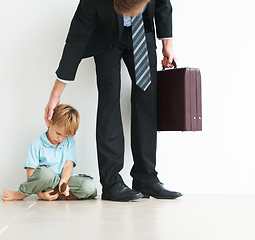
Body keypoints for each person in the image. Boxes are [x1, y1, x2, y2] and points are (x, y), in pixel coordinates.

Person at [44, 0, 182, 201]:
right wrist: (56, 93)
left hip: (142, 32)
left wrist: (167, 44)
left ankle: (146, 178)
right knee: (109, 102)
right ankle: (111, 183)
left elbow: (163, 3)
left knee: (147, 100)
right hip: (106, 37)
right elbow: (77, 38)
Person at [2, 104, 97, 201]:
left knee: (89, 187)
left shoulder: (70, 142)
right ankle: (21, 194)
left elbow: (69, 165)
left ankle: (61, 193)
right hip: (46, 183)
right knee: (45, 174)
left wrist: (64, 181)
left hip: (65, 180)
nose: (60, 139)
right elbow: (31, 174)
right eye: (58, 133)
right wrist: (40, 194)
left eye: (65, 136)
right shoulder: (36, 144)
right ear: (50, 122)